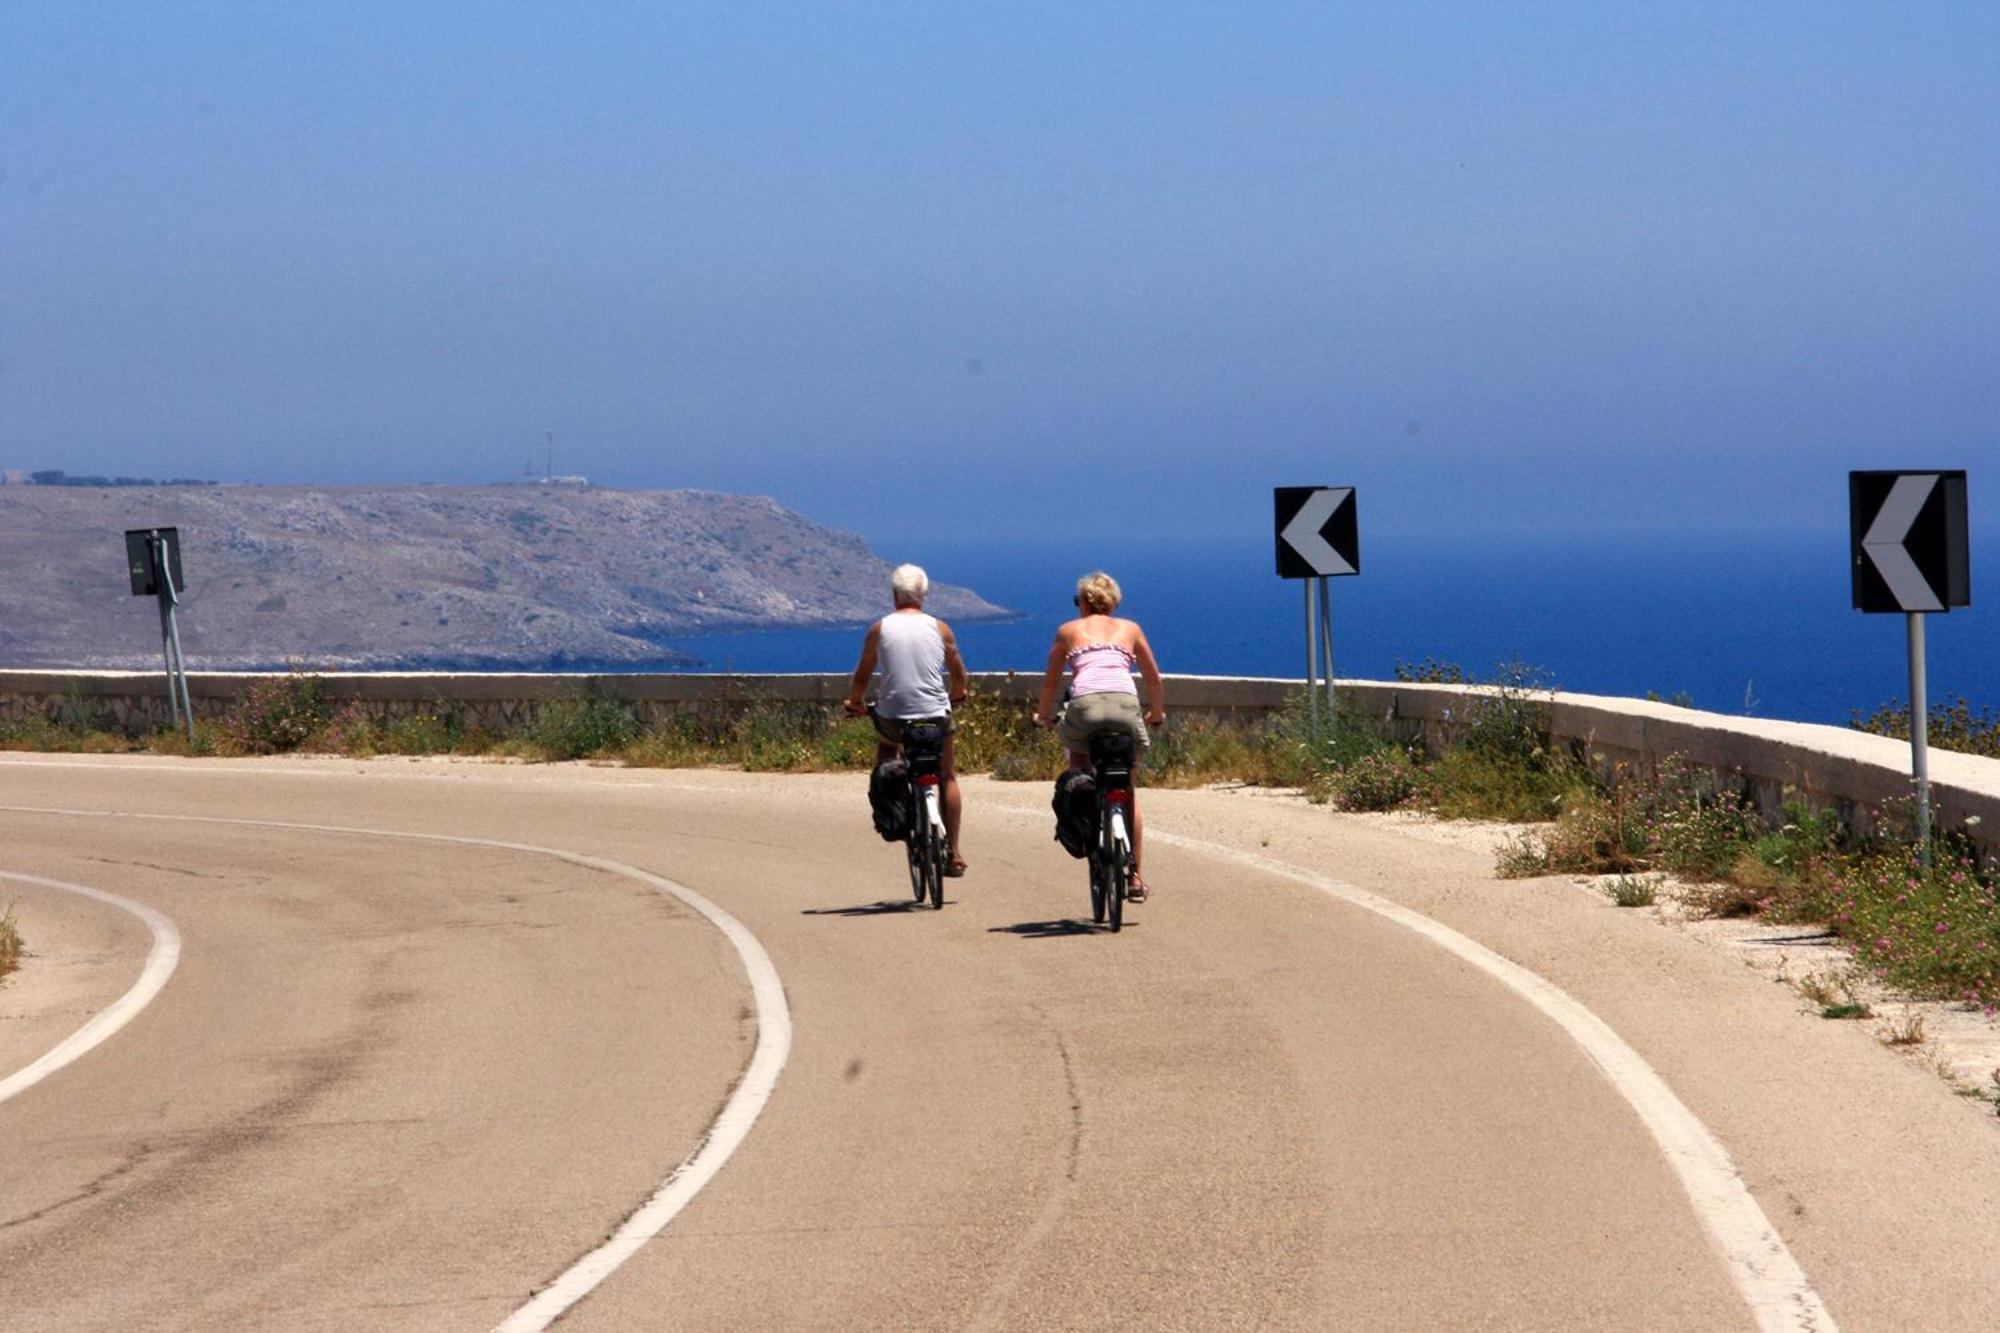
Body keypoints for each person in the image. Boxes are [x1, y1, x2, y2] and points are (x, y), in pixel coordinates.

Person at [1033, 571, 1166, 899]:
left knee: (1078, 766)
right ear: (1112, 602)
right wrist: (1157, 714)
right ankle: (1135, 877)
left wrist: (1043, 715)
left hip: (1085, 706)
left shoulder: (1068, 631)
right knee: (1128, 788)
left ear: (1083, 603)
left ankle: (1087, 819)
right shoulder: (1131, 629)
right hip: (1125, 705)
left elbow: (1051, 682)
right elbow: (1153, 679)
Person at [843, 563, 971, 875]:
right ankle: (953, 852)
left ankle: (893, 810)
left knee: (888, 752)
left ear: (894, 595)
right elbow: (957, 670)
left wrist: (855, 702)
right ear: (923, 595)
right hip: (935, 715)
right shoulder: (940, 628)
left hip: (894, 715)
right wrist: (959, 691)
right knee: (948, 776)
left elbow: (863, 673)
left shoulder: (880, 628)